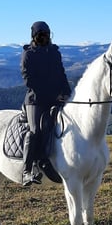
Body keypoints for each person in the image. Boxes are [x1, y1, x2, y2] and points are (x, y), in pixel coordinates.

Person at [20, 21, 72, 186]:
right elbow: (29, 80)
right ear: (34, 37)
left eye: (46, 35)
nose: (44, 38)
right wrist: (50, 95)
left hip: (55, 98)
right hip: (35, 99)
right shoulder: (28, 55)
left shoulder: (54, 53)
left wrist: (67, 93)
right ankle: (27, 170)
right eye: (41, 35)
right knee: (35, 131)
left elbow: (61, 73)